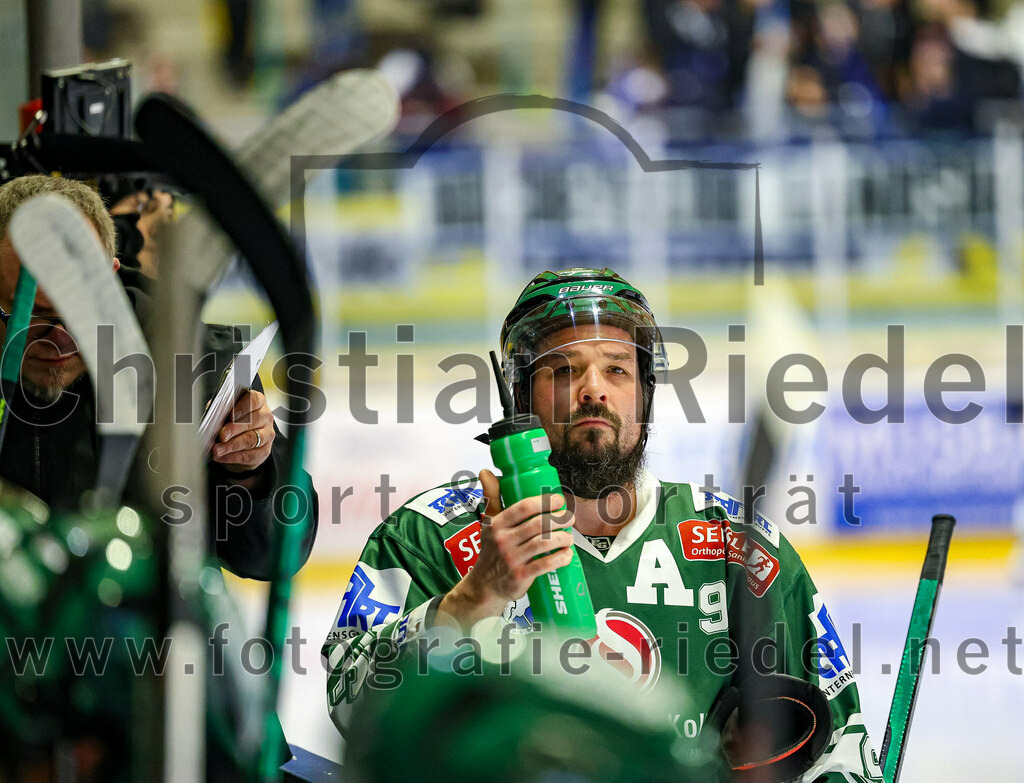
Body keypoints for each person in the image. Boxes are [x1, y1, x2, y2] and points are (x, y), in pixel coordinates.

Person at [322, 267, 881, 780]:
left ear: (644, 394)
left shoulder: (741, 550)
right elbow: (352, 706)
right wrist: (473, 599)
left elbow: (839, 744)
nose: (594, 388)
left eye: (617, 368)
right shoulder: (429, 536)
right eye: (565, 370)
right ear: (522, 395)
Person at [0, 174, 317, 579]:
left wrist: (251, 474)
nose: (58, 338)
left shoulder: (191, 362)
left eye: (78, 310)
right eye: (29, 315)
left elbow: (273, 555)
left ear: (110, 277)